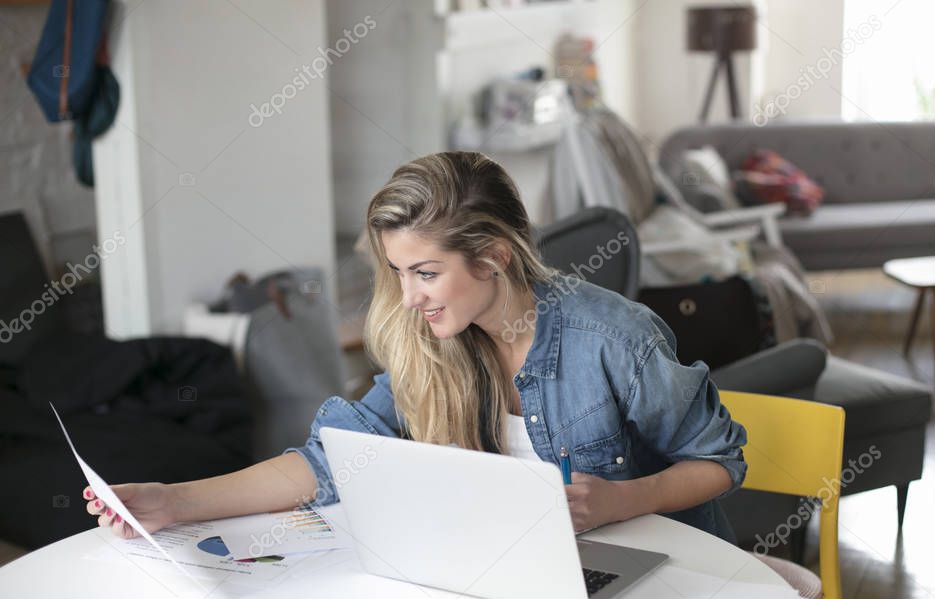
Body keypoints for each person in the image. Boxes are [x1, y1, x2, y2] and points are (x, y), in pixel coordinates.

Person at [83, 151, 747, 543]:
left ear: (492, 257)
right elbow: (332, 460)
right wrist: (173, 503)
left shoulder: (613, 338)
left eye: (425, 272)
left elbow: (719, 460)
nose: (407, 297)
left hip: (661, 573)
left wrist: (624, 500)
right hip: (526, 579)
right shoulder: (432, 344)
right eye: (398, 272)